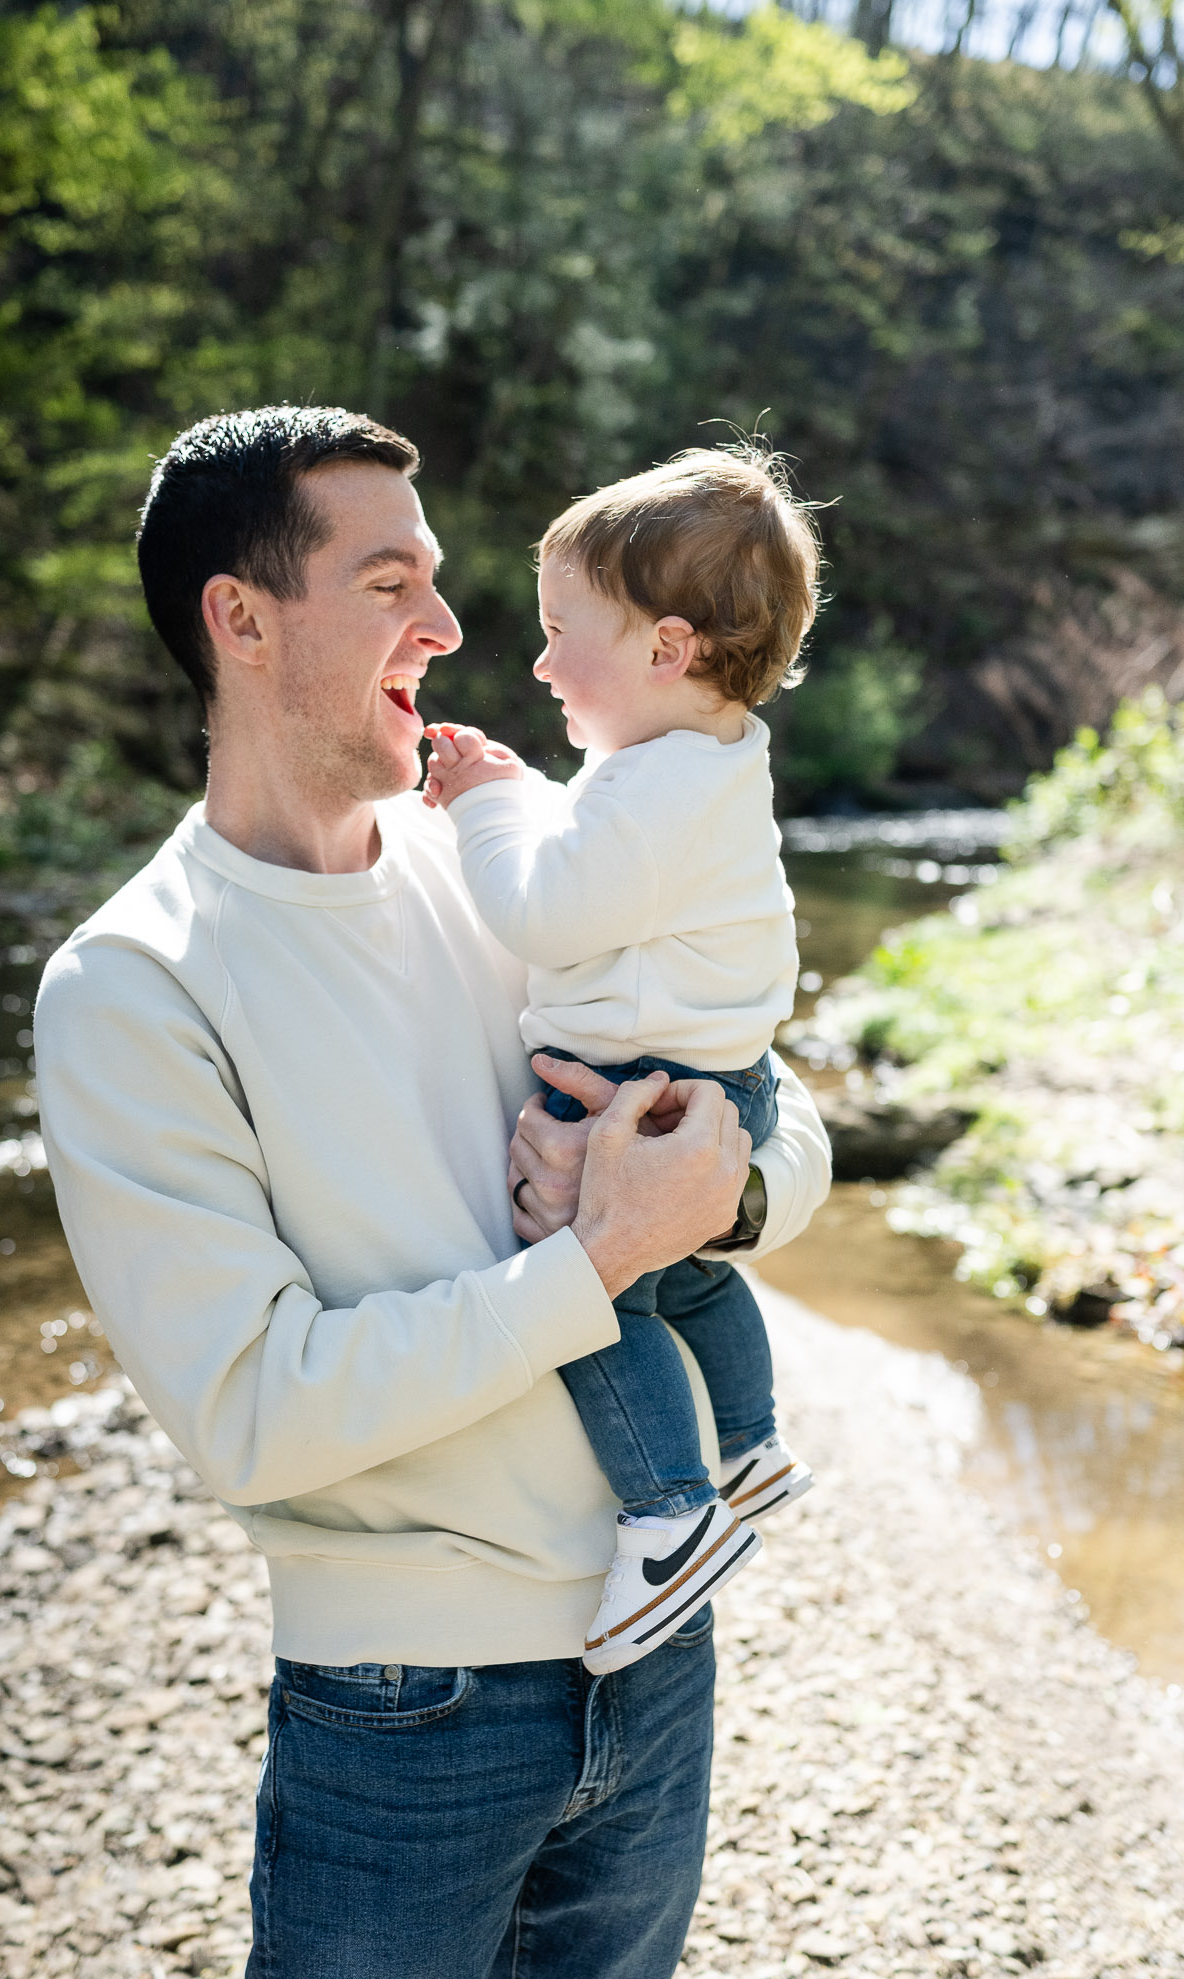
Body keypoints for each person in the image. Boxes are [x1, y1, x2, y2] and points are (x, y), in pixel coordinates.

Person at [33, 405, 831, 1979]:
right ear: (240, 620)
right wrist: (596, 1258)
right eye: (392, 580)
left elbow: (758, 1087)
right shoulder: (136, 983)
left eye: (451, 584)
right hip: (410, 1713)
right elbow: (262, 1410)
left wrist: (731, 1186)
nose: (454, 632)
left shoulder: (502, 853)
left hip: (655, 1663)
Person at [421, 447, 818, 1676]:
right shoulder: (698, 764)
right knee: (694, 1280)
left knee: (589, 1289)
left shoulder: (647, 794)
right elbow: (603, 854)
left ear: (666, 648)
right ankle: (749, 1444)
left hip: (629, 1091)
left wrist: (484, 803)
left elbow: (544, 911)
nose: (537, 662)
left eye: (558, 633)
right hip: (712, 1078)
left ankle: (671, 1508)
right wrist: (528, 791)